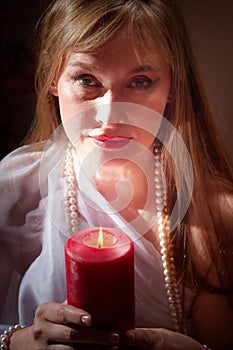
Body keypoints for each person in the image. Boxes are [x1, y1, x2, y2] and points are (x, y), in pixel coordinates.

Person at [0, 0, 232, 349]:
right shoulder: (15, 188)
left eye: (139, 81)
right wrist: (20, 342)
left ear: (171, 86)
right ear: (52, 79)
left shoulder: (213, 212)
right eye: (86, 79)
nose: (110, 115)